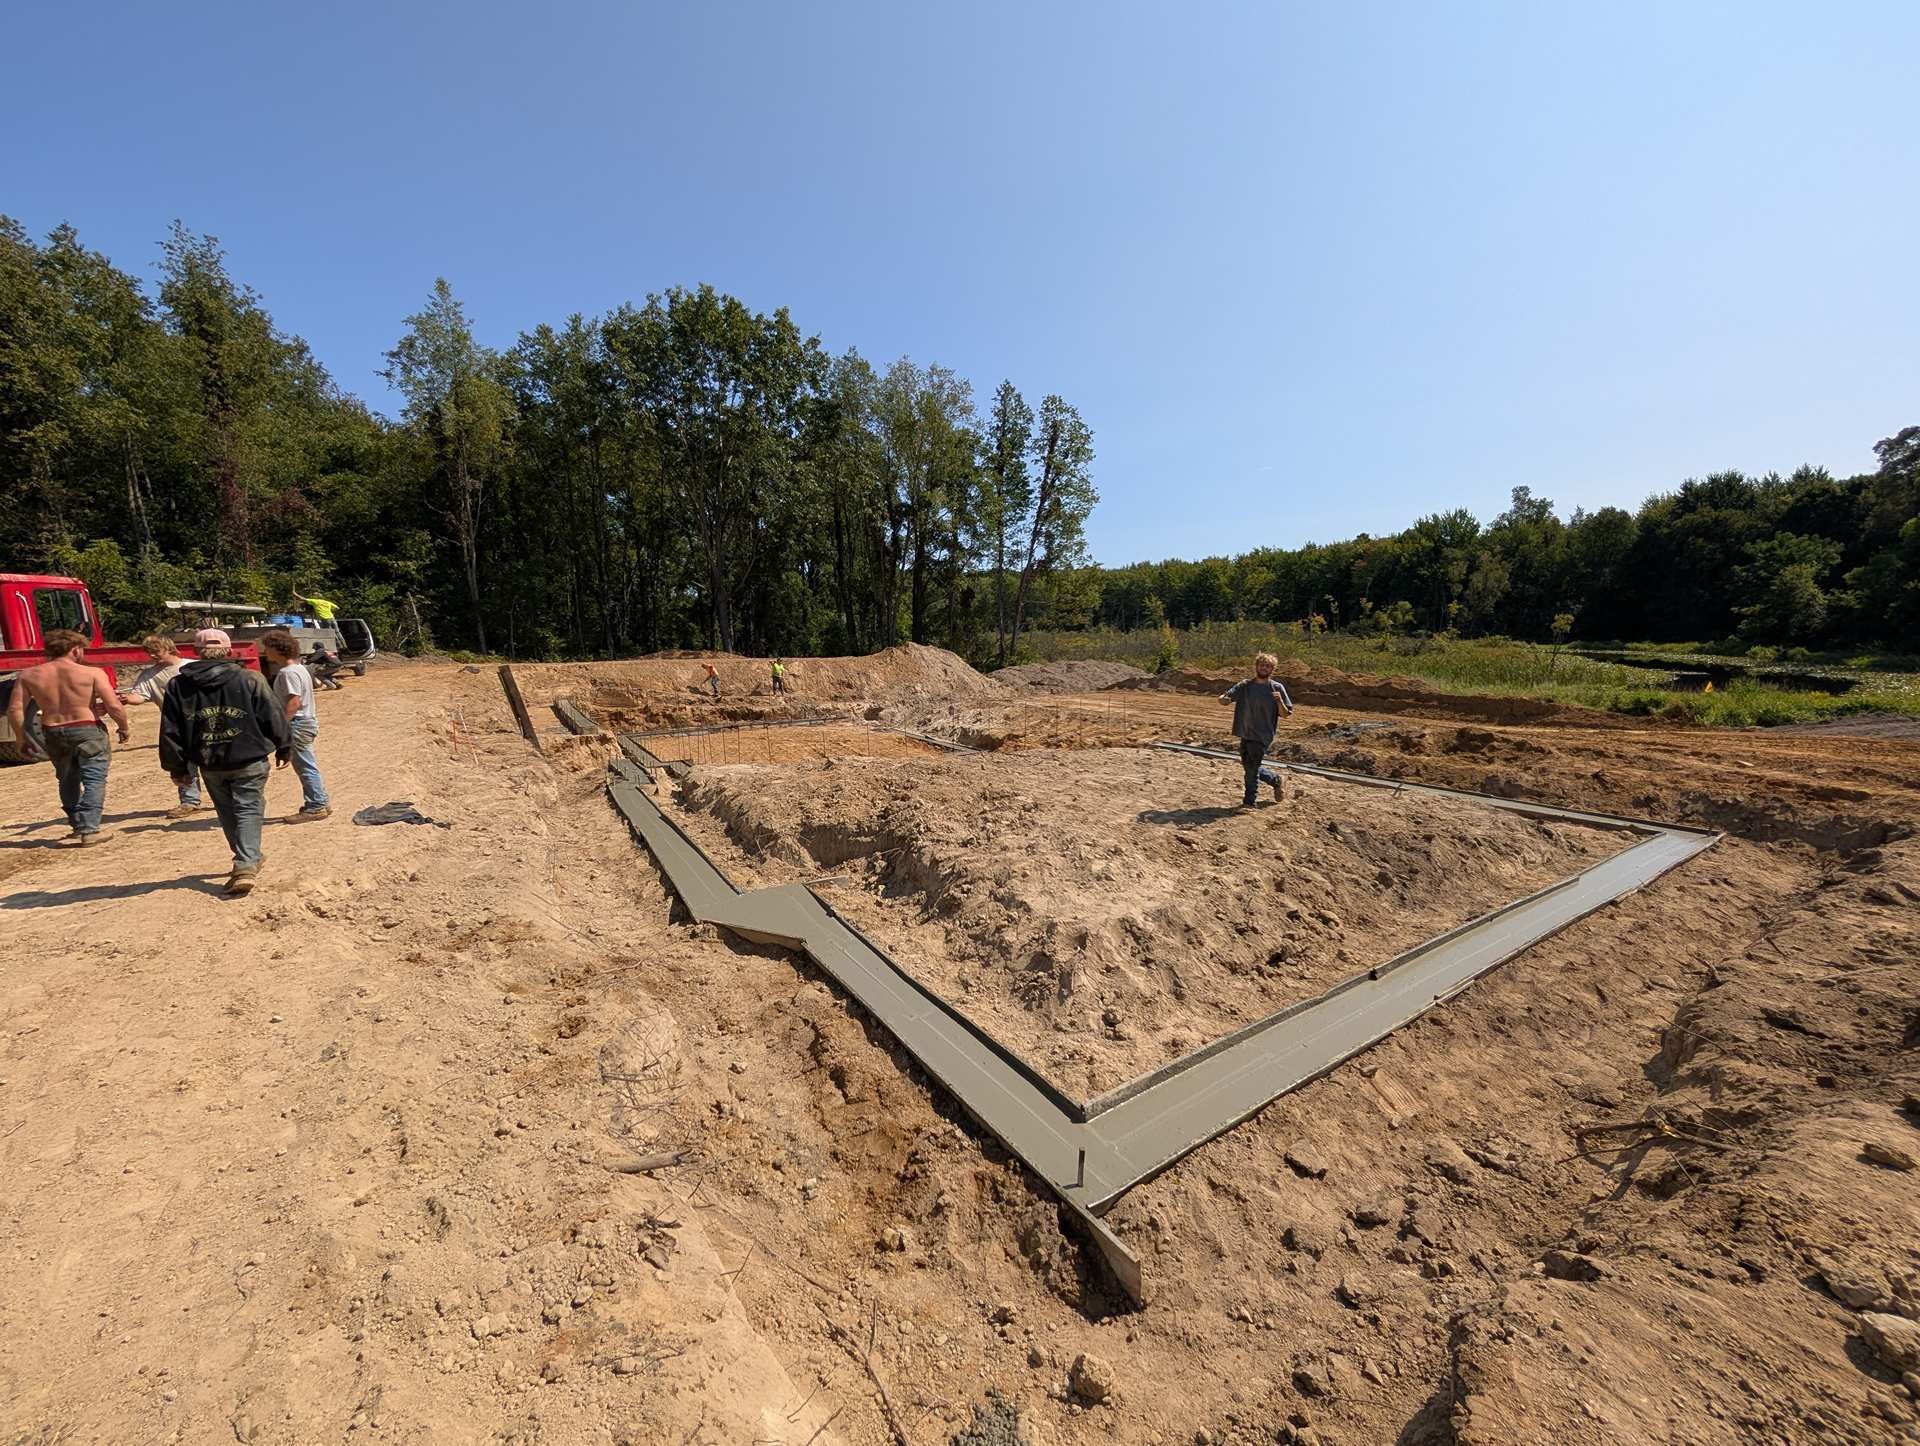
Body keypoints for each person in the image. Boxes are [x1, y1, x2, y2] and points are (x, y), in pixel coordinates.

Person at [159, 628, 291, 896]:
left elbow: (171, 729)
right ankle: (246, 863)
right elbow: (272, 714)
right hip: (249, 757)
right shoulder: (250, 678)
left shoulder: (178, 685)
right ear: (229, 650)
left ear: (196, 651)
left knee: (227, 811)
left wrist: (177, 766)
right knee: (249, 808)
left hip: (210, 761)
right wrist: (284, 746)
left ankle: (248, 857)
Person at [5, 629, 130, 846]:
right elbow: (114, 705)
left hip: (53, 731)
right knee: (94, 779)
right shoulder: (92, 673)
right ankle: (90, 829)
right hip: (87, 729)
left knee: (67, 779)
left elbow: (15, 710)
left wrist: (21, 738)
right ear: (75, 649)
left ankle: (77, 826)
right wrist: (123, 727)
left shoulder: (29, 675)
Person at [117, 634, 201, 818]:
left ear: (169, 648)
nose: (153, 655)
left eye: (156, 651)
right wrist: (127, 699)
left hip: (203, 720)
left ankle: (227, 797)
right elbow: (140, 696)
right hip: (176, 724)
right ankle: (190, 801)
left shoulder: (193, 667)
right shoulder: (149, 675)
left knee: (214, 761)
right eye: (149, 652)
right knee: (183, 762)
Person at [261, 629, 331, 820]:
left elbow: (294, 702)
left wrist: (281, 726)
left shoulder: (288, 673)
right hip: (305, 721)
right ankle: (321, 801)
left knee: (305, 766)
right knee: (307, 764)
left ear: (278, 649)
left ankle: (316, 806)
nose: (265, 652)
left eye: (267, 648)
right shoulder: (299, 669)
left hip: (298, 724)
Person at [1219, 651, 1295, 808]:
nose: (1264, 668)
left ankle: (1249, 803)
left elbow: (1285, 714)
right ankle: (1275, 780)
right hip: (1245, 732)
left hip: (1262, 734)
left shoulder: (1277, 688)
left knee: (1251, 769)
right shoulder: (1245, 685)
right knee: (1250, 767)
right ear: (1256, 666)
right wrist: (1223, 699)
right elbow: (1227, 697)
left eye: (1268, 666)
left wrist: (1279, 701)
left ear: (1272, 669)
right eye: (1261, 665)